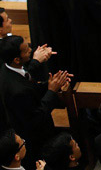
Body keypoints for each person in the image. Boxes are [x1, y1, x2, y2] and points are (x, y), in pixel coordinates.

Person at [0, 36, 69, 167]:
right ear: (16, 59)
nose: (31, 51)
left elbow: (29, 83)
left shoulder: (7, 67)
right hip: (35, 140)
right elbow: (37, 118)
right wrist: (51, 91)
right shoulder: (17, 91)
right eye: (27, 50)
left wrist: (48, 84)